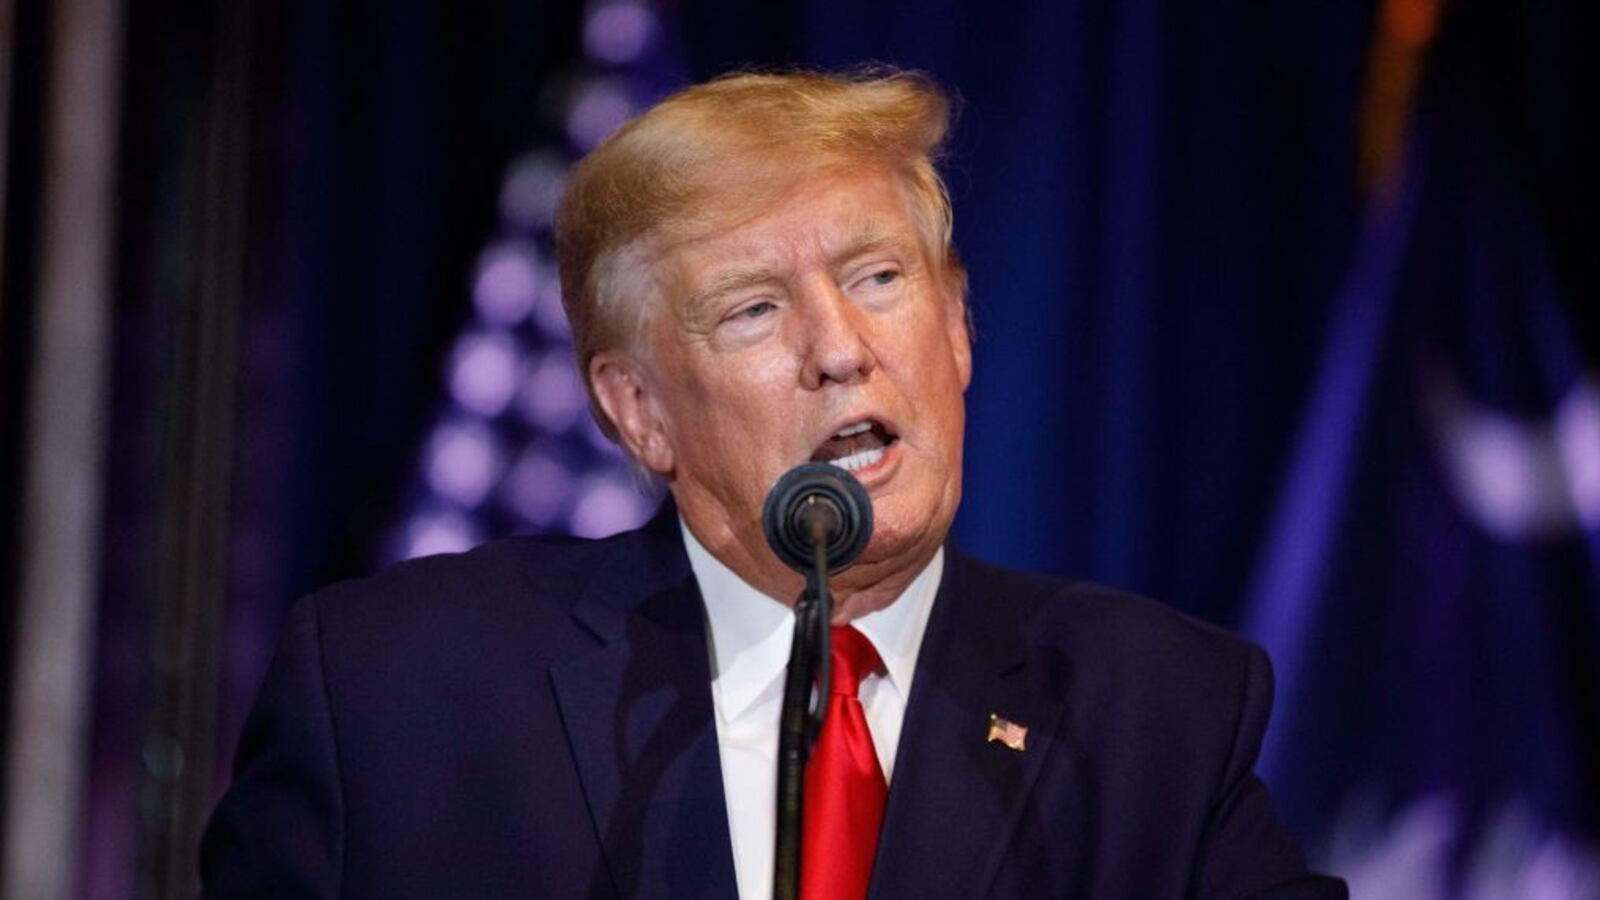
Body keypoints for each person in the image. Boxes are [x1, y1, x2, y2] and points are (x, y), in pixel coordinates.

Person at [199, 69, 1346, 899]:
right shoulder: (397, 694)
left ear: (957, 329)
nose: (839, 347)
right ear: (637, 411)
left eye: (879, 277)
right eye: (753, 309)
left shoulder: (1150, 709)